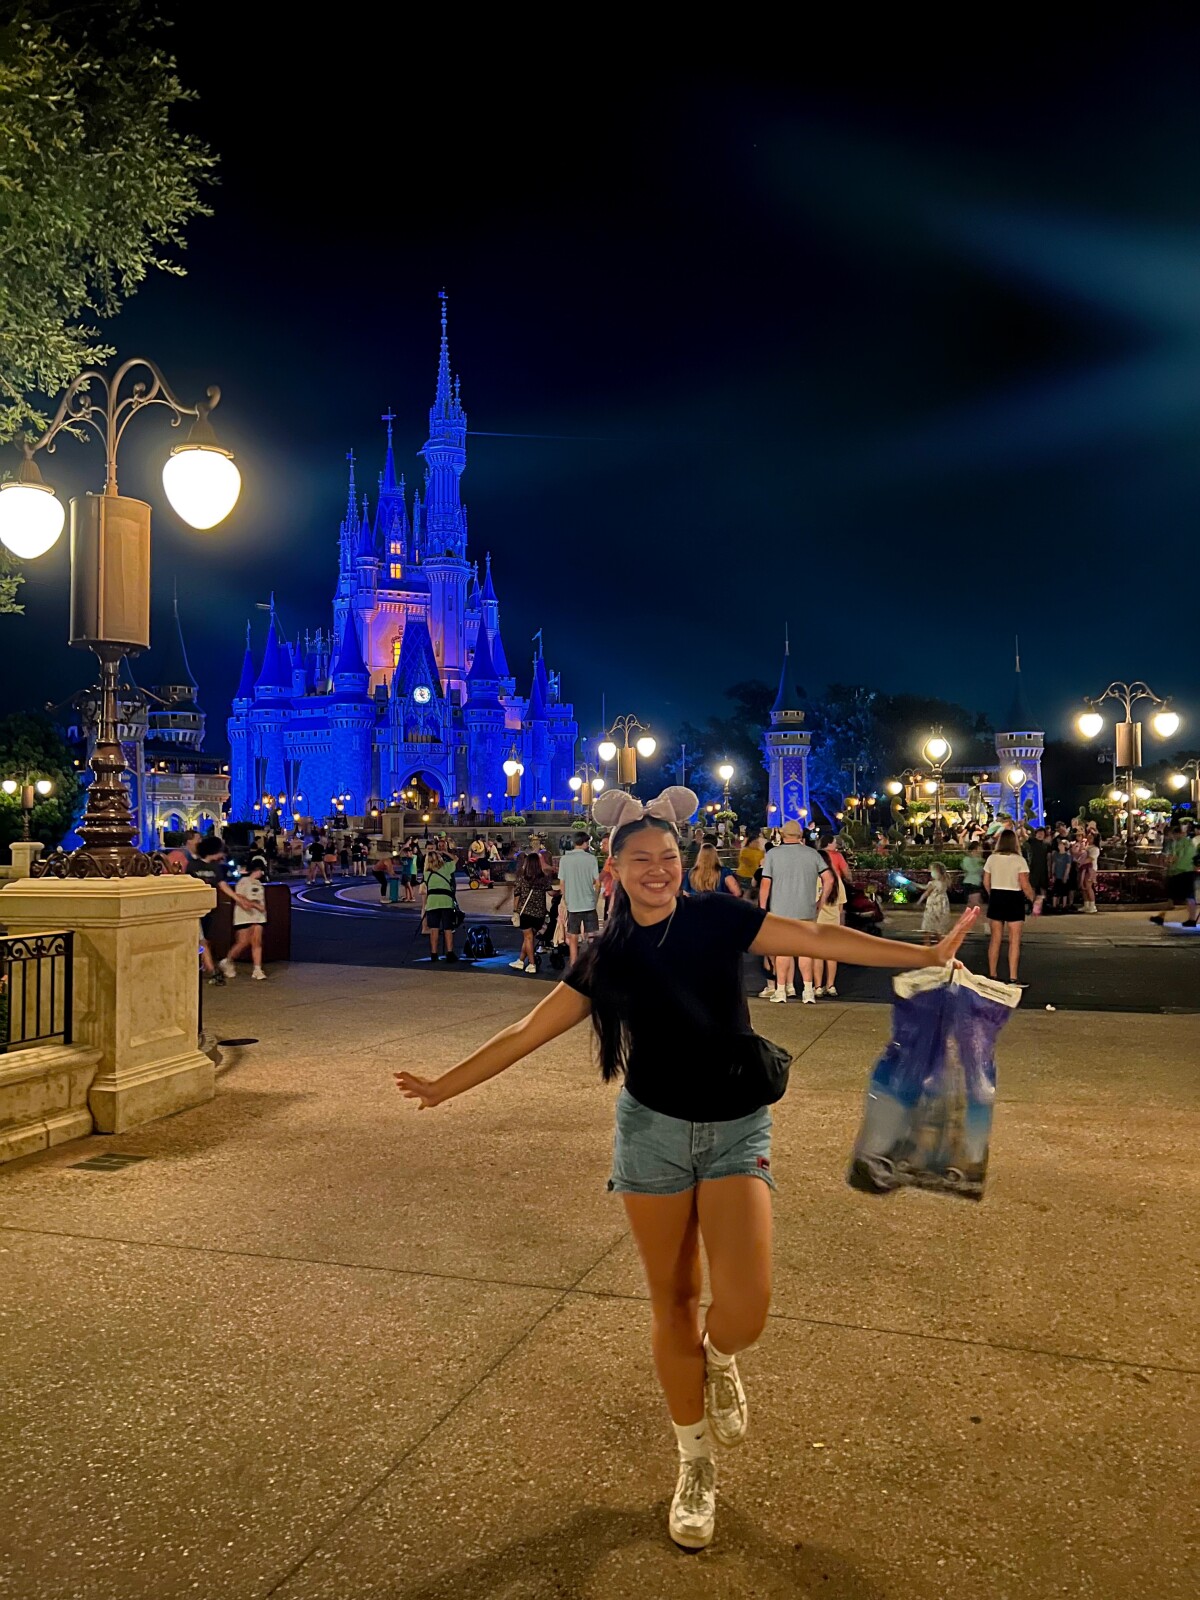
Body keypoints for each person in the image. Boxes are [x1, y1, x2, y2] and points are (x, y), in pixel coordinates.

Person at [393, 785, 976, 1553]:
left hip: (736, 1126)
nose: (658, 870)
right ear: (613, 871)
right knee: (671, 1302)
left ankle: (721, 1357)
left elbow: (816, 937)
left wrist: (923, 956)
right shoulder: (608, 956)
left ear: (682, 859)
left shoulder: (717, 918)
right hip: (652, 1136)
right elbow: (526, 1030)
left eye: (667, 857)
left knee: (747, 1306)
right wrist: (445, 1086)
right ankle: (694, 1462)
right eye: (641, 860)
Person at [758, 820, 834, 1004]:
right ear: (800, 835)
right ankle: (808, 991)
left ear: (782, 835)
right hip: (806, 909)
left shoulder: (773, 854)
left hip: (780, 912)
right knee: (805, 951)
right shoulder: (812, 854)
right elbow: (829, 879)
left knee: (783, 952)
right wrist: (820, 901)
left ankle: (781, 991)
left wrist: (762, 908)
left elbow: (765, 884)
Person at [188, 836, 256, 985]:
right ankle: (213, 972)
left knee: (203, 939)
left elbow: (223, 885)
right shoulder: (192, 866)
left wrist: (239, 899)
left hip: (209, 909)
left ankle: (204, 966)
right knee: (202, 940)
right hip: (194, 908)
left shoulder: (215, 868)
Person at [983, 828, 1033, 982]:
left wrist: (992, 894)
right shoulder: (1019, 860)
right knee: (1014, 940)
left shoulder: (992, 858)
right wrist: (1032, 898)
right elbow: (1024, 884)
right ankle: (1012, 977)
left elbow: (986, 881)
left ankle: (992, 974)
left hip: (997, 896)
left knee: (995, 939)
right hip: (1014, 898)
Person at [219, 861, 268, 980]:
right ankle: (228, 960)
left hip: (258, 916)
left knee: (257, 941)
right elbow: (239, 896)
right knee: (243, 942)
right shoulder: (243, 882)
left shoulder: (258, 884)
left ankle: (257, 969)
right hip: (244, 916)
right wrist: (254, 905)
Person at [559, 831, 600, 966]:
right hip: (589, 903)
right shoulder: (591, 859)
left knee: (573, 935)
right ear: (584, 842)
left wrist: (565, 899)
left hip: (573, 904)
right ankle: (591, 963)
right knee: (591, 936)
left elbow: (562, 883)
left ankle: (573, 963)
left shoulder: (565, 860)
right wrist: (595, 898)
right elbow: (597, 883)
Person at [509, 850, 553, 973]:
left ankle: (532, 964)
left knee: (528, 938)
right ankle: (520, 961)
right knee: (529, 938)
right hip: (540, 914)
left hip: (526, 913)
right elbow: (551, 893)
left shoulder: (522, 879)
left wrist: (515, 911)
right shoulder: (543, 879)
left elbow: (517, 896)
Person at [812, 845, 846, 996]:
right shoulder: (836, 879)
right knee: (831, 956)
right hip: (833, 922)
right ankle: (831, 985)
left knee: (817, 956)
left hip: (818, 922)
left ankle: (818, 986)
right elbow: (841, 905)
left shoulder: (814, 879)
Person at [1150, 823, 1198, 927]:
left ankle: (1192, 919)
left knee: (1188, 896)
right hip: (1177, 872)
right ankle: (1161, 916)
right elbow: (1171, 856)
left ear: (1178, 834)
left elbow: (1185, 858)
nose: (1171, 837)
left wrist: (1173, 864)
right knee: (1171, 895)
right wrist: (1169, 863)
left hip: (1184, 872)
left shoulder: (1186, 843)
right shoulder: (1176, 843)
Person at [422, 847, 459, 962]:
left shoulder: (426, 873)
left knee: (434, 929)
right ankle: (450, 953)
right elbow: (456, 859)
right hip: (446, 901)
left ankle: (434, 954)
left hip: (432, 902)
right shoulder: (446, 867)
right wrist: (444, 852)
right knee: (448, 928)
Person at [916, 861, 953, 945]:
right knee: (939, 929)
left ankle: (927, 946)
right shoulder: (945, 882)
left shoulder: (934, 883)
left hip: (933, 906)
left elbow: (926, 892)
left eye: (931, 871)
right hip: (941, 906)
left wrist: (919, 901)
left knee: (927, 929)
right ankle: (942, 946)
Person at [1023, 826, 1050, 914]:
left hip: (1043, 869)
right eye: (1039, 833)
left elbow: (1049, 858)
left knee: (1043, 888)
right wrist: (1022, 825)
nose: (1040, 834)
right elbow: (1024, 836)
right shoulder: (1032, 842)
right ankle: (1031, 906)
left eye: (1042, 833)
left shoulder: (1046, 845)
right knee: (1032, 888)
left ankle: (1042, 907)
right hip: (1033, 869)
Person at [961, 840, 986, 922]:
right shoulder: (967, 859)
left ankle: (967, 922)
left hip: (976, 883)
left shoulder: (980, 860)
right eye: (980, 848)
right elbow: (971, 870)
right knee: (975, 905)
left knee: (972, 905)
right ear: (975, 849)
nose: (981, 850)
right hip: (970, 883)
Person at [735, 831, 765, 897]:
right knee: (746, 893)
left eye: (757, 842)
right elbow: (745, 860)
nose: (756, 844)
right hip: (744, 875)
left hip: (754, 876)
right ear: (749, 842)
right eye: (754, 842)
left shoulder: (760, 852)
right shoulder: (745, 850)